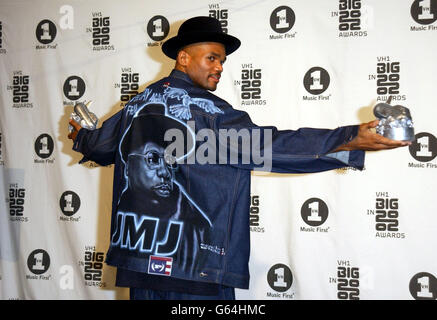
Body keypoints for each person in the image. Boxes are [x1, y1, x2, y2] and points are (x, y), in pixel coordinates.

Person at [68, 16, 409, 300]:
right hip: (194, 267)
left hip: (139, 266)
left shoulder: (138, 104)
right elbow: (270, 147)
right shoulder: (209, 114)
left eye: (222, 61)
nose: (219, 67)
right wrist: (349, 139)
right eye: (211, 58)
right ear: (183, 58)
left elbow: (100, 146)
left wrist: (81, 135)